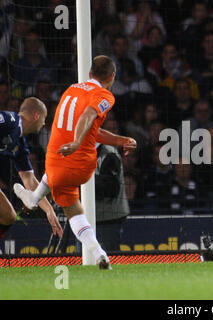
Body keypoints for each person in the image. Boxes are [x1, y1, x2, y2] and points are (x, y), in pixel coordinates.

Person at [13, 56, 137, 269]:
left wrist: (119, 140)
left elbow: (90, 126)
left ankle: (34, 198)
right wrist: (77, 142)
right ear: (112, 77)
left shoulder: (70, 89)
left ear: (89, 74)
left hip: (55, 160)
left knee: (65, 196)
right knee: (76, 213)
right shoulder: (104, 95)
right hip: (81, 164)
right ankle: (100, 255)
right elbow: (88, 115)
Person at [0, 97, 62, 240]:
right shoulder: (9, 120)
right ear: (36, 116)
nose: (44, 123)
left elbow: (29, 180)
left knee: (8, 216)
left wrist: (49, 210)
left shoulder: (20, 144)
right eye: (44, 118)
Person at [95, 143, 130, 252]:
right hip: (86, 217)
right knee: (84, 258)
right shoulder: (79, 152)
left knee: (107, 258)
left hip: (108, 218)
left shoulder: (109, 154)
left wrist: (84, 180)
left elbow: (111, 189)